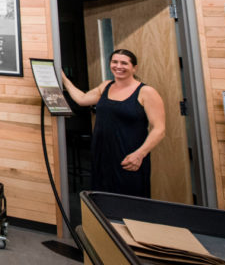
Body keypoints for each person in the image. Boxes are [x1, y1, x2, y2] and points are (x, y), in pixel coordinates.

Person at [61, 49, 166, 198]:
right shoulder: (106, 86)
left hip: (129, 157)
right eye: (114, 62)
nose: (118, 66)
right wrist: (64, 79)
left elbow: (159, 129)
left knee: (129, 202)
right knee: (102, 199)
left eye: (124, 63)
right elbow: (82, 99)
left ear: (134, 67)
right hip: (102, 155)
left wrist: (140, 154)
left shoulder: (146, 92)